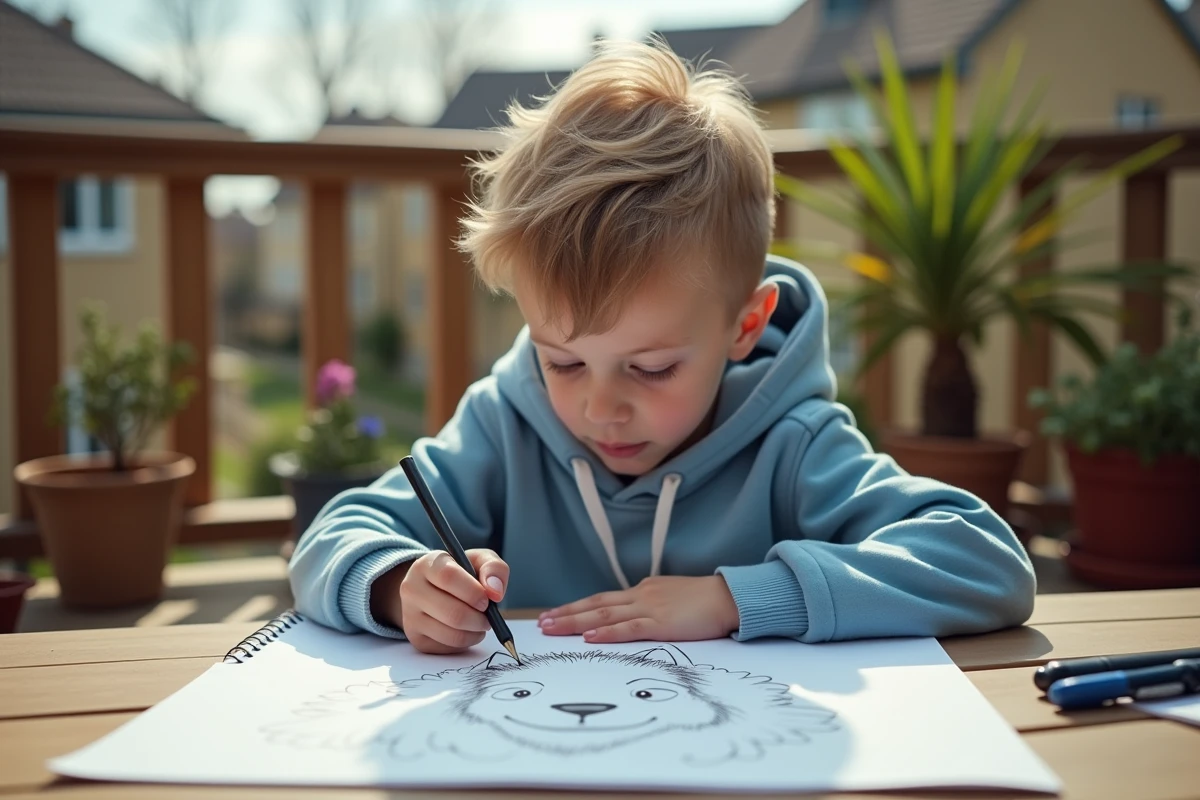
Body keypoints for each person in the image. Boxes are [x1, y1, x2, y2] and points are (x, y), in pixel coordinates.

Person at [288, 38, 1035, 655]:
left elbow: (985, 561)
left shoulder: (793, 444)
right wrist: (397, 585)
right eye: (563, 361)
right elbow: (331, 537)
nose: (600, 407)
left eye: (651, 368)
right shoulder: (502, 425)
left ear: (745, 325)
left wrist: (737, 599)